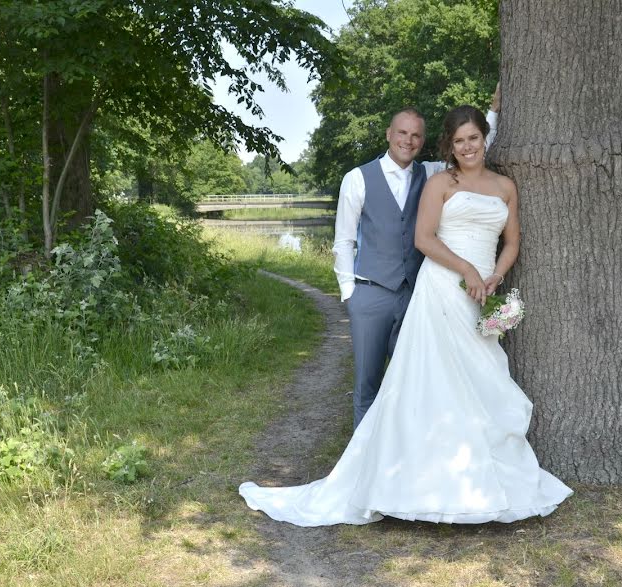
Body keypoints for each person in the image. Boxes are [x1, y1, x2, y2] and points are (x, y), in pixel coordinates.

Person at [239, 106, 572, 526]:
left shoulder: (499, 185)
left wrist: (495, 277)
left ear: (484, 138)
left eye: (474, 138)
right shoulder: (426, 180)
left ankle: (469, 475)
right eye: (459, 141)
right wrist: (352, 291)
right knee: (400, 382)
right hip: (428, 289)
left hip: (476, 293)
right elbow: (409, 237)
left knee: (473, 382)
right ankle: (384, 475)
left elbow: (511, 240)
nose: (467, 146)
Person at [334, 89, 500, 429]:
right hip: (371, 294)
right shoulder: (358, 178)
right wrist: (350, 293)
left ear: (423, 141)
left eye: (415, 135)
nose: (408, 141)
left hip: (416, 296)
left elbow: (473, 148)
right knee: (367, 383)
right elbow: (344, 240)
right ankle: (364, 464)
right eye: (402, 133)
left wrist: (492, 112)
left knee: (414, 381)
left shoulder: (432, 173)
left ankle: (403, 452)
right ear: (389, 135)